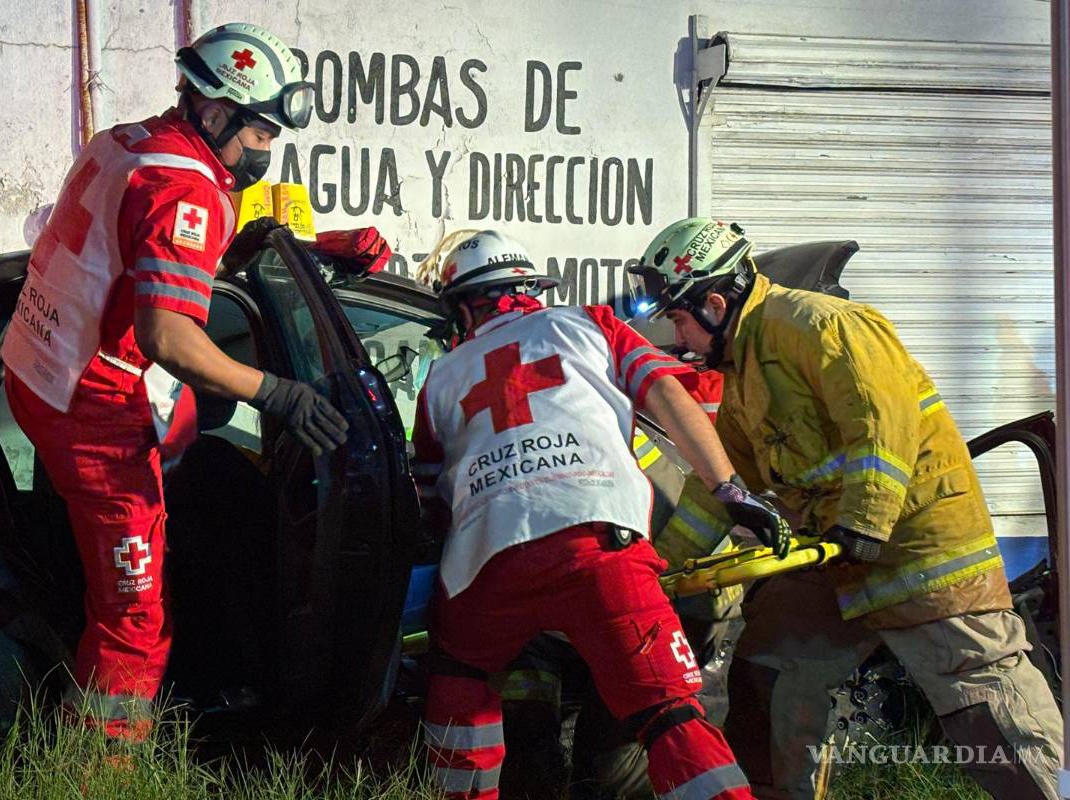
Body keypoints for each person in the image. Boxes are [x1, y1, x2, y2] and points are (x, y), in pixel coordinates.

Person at [632, 217, 1064, 799]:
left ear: (714, 303)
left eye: (678, 318)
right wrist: (657, 569)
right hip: (835, 560)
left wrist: (864, 521)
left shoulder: (821, 326)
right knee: (768, 676)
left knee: (985, 712)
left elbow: (880, 428)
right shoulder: (745, 372)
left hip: (920, 557)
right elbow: (722, 487)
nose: (676, 337)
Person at [0, 22, 348, 738]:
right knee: (137, 618)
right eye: (260, 134)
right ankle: (98, 772)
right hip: (93, 410)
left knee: (191, 449)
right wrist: (277, 392)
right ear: (215, 113)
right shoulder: (182, 190)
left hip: (35, 369)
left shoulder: (127, 143)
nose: (265, 151)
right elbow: (168, 336)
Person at [412, 229, 791, 800]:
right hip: (598, 546)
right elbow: (670, 397)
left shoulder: (441, 377)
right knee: (668, 715)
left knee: (460, 673)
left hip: (485, 566)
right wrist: (731, 489)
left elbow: (429, 494)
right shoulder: (589, 324)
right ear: (531, 289)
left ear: (464, 306)